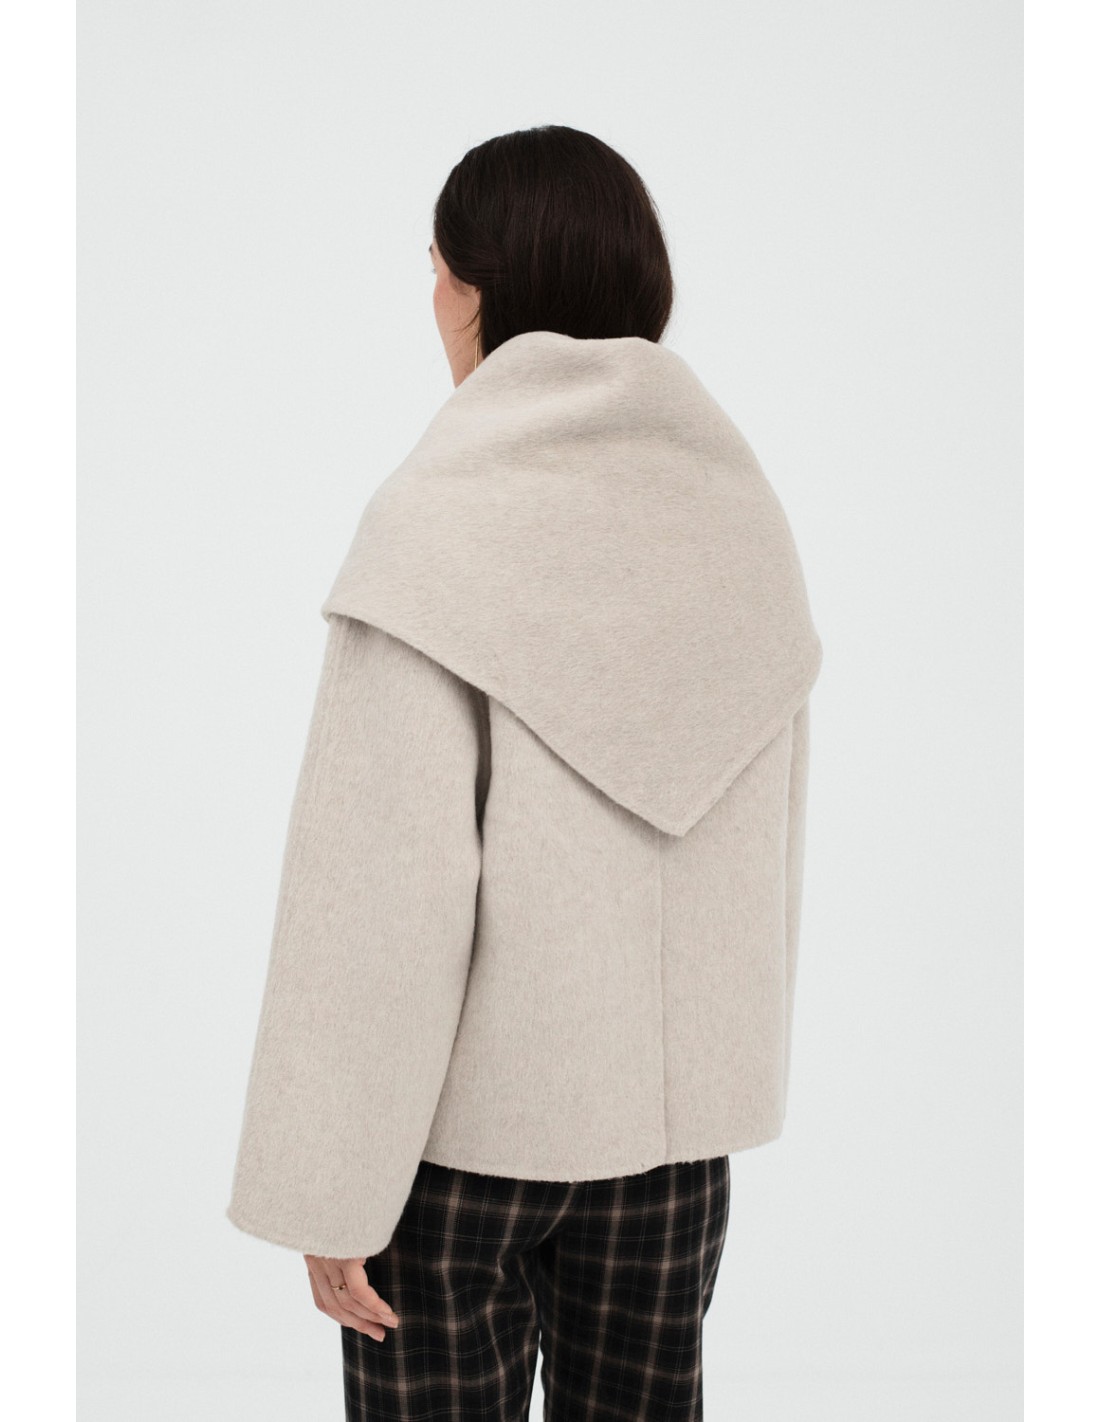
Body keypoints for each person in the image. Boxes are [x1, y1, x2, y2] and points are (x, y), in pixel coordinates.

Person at [226, 124, 823, 1421]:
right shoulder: (743, 520)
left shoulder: (436, 526)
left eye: (435, 270)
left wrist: (333, 1185)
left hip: (458, 1160)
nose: (432, 300)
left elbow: (380, 889)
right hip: (669, 1149)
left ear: (475, 289)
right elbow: (769, 842)